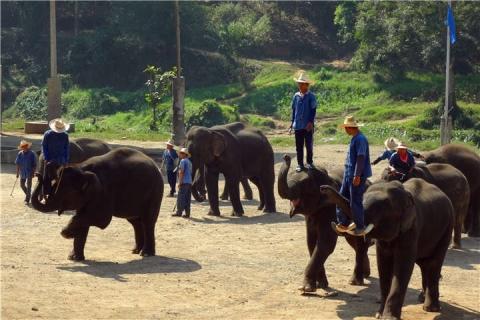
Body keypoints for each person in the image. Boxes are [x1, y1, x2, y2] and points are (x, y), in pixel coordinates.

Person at [333, 116, 374, 236]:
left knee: (355, 201)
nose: (345, 130)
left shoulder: (360, 139)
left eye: (346, 128)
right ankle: (343, 222)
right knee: (341, 198)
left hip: (356, 176)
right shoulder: (354, 138)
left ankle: (360, 226)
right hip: (348, 173)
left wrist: (357, 175)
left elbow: (361, 158)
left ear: (351, 128)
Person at [289, 71, 317, 172]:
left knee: (309, 145)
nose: (299, 85)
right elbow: (294, 110)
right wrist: (292, 123)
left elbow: (313, 110)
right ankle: (300, 164)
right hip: (298, 125)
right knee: (298, 146)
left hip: (307, 126)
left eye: (301, 84)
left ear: (307, 85)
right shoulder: (296, 96)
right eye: (299, 83)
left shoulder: (311, 96)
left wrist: (310, 122)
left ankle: (309, 162)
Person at [41, 118, 70, 197]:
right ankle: (45, 194)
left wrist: (66, 161)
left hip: (60, 160)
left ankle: (59, 195)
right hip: (50, 159)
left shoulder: (65, 135)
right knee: (47, 177)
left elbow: (66, 148)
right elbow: (44, 147)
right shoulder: (48, 134)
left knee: (60, 178)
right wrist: (47, 158)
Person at [172, 148, 192, 218]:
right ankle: (187, 213)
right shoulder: (189, 162)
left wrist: (180, 182)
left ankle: (179, 212)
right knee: (187, 198)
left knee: (181, 197)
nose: (179, 154)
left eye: (181, 153)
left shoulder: (183, 161)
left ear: (184, 154)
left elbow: (181, 172)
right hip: (189, 182)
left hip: (184, 182)